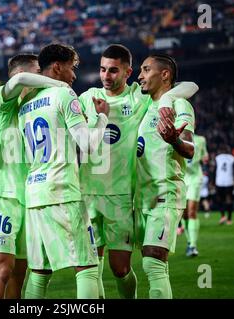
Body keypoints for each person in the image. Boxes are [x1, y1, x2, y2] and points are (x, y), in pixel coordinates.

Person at [78, 44, 199, 298]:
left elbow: (190, 88)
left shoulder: (145, 100)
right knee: (92, 267)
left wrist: (173, 134)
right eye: (102, 70)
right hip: (132, 198)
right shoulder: (92, 98)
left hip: (150, 196)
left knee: (148, 263)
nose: (106, 76)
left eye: (145, 70)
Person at [18, 43, 109, 299]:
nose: (74, 75)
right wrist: (102, 118)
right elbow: (88, 145)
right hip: (62, 191)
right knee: (88, 266)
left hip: (34, 193)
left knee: (39, 272)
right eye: (72, 68)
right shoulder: (64, 94)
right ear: (57, 67)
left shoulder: (25, 103)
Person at [0, 53, 70, 299]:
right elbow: (18, 81)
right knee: (0, 270)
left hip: (29, 197)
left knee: (18, 277)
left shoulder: (33, 109)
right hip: (3, 195)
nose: (40, 77)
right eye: (37, 73)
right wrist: (60, 84)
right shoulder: (3, 101)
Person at [135, 53, 195, 299]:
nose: (140, 75)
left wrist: (174, 139)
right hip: (142, 197)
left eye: (146, 69)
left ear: (165, 75)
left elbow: (189, 148)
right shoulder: (145, 106)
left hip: (166, 194)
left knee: (153, 262)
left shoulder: (180, 106)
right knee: (151, 264)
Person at [182, 133, 209, 257]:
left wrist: (204, 158)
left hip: (195, 178)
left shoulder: (200, 139)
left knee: (192, 211)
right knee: (184, 213)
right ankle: (189, 242)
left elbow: (205, 156)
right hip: (181, 178)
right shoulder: (175, 138)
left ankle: (193, 245)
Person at [215, 144, 234, 225]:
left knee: (220, 200)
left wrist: (213, 181)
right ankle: (229, 219)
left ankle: (223, 216)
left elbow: (215, 170)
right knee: (229, 199)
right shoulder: (232, 158)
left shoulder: (217, 158)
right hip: (229, 181)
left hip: (219, 181)